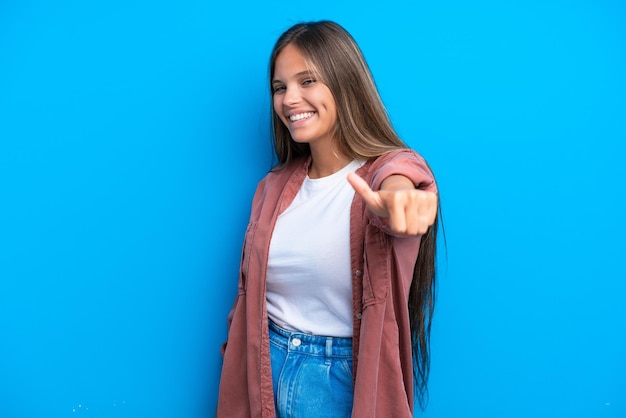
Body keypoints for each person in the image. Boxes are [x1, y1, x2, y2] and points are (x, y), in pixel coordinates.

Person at [216, 20, 441, 418]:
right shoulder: (271, 188)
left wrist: (403, 198)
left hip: (335, 380)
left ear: (344, 83)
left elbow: (402, 179)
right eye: (279, 87)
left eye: (307, 81)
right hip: (262, 367)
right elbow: (247, 296)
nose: (289, 99)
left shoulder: (384, 175)